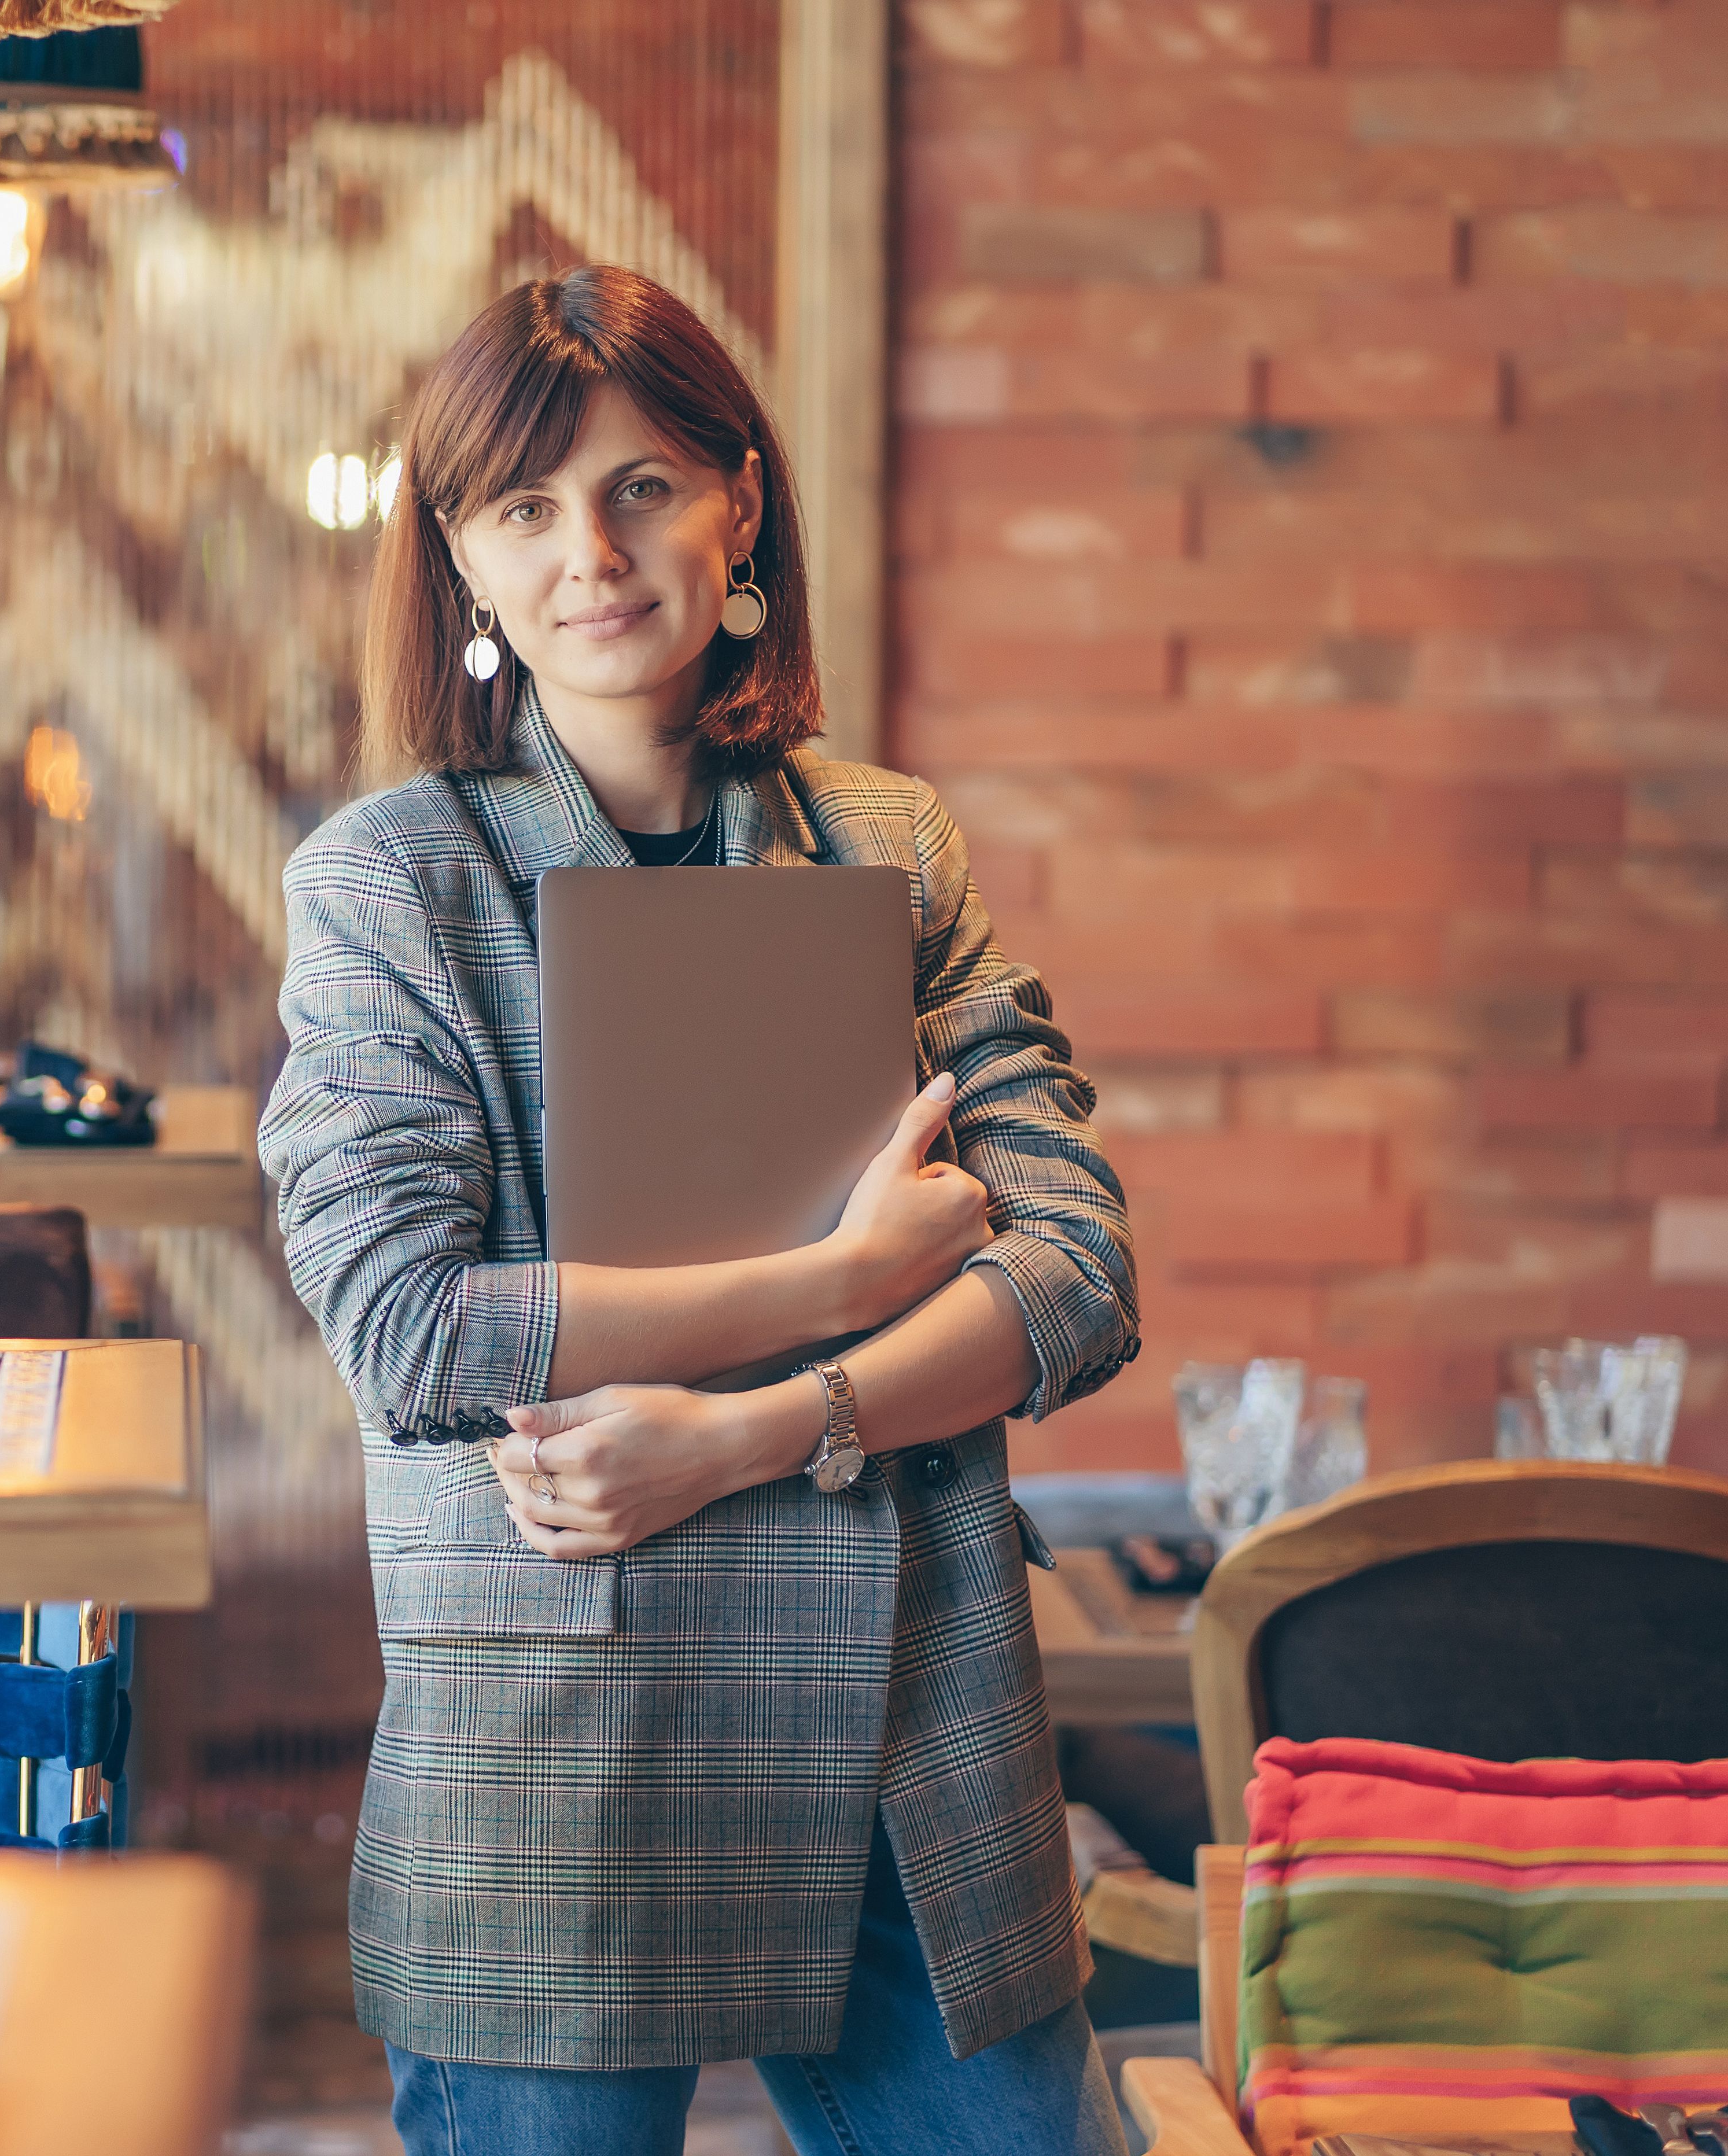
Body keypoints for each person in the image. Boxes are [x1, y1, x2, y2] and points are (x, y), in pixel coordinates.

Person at [256, 264, 1141, 2156]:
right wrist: (844, 1275)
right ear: (465, 566)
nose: (595, 549)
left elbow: (1076, 1275)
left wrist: (755, 1430)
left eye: (644, 485)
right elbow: (412, 1335)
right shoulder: (389, 886)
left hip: (914, 1735)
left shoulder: (890, 845)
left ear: (739, 501)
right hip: (564, 1753)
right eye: (527, 506)